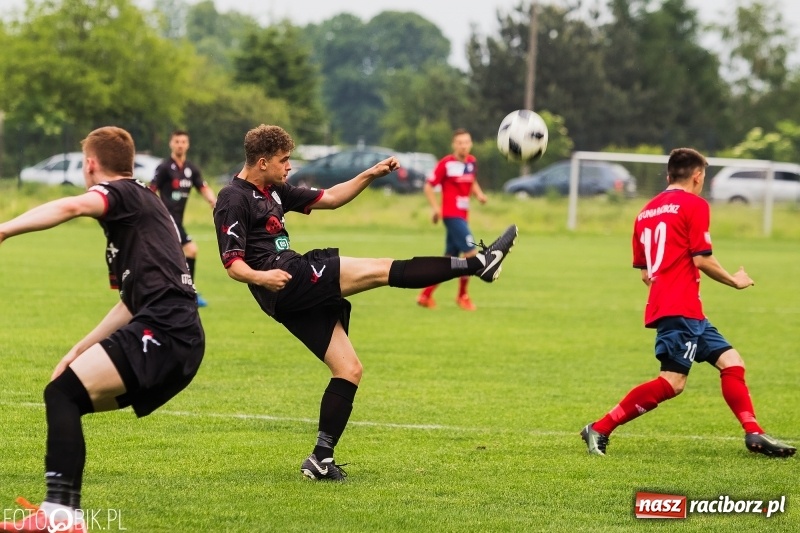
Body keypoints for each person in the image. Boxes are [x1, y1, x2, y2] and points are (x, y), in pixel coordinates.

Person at [213, 124, 517, 481]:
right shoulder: (233, 198)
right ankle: (477, 265)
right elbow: (232, 263)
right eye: (284, 161)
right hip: (289, 278)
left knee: (349, 370)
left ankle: (320, 459)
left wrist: (371, 173)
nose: (289, 167)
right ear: (262, 162)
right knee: (379, 269)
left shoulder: (275, 189)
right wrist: (263, 277)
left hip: (289, 293)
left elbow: (331, 197)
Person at [0, 127, 205, 532]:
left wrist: (5, 228)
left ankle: (60, 513)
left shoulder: (124, 194)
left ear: (90, 164)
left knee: (61, 394)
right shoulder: (143, 203)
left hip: (166, 329)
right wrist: (79, 348)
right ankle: (62, 513)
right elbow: (131, 303)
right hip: (176, 334)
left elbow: (72, 207)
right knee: (66, 395)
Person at [580, 147, 795, 458]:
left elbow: (645, 273)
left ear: (669, 175)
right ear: (697, 176)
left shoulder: (645, 212)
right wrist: (735, 280)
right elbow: (702, 259)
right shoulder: (694, 205)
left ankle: (754, 433)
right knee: (672, 382)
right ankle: (599, 428)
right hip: (679, 308)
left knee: (732, 362)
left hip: (680, 308)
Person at [417, 128, 488, 311]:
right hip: (451, 215)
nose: (464, 146)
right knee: (471, 254)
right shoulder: (446, 164)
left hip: (463, 216)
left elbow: (471, 180)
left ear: (471, 144)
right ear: (454, 145)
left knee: (449, 261)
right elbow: (428, 186)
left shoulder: (472, 162)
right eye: (460, 142)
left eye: (467, 142)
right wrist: (435, 208)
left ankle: (425, 295)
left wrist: (479, 195)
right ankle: (462, 296)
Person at [150, 129, 217, 307]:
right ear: (171, 144)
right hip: (166, 219)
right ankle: (187, 293)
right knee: (189, 251)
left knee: (173, 256)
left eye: (183, 142)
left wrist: (213, 201)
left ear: (187, 145)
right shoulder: (164, 167)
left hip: (177, 221)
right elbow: (151, 190)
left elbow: (202, 187)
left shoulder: (191, 168)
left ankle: (180, 292)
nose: (180, 145)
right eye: (177, 141)